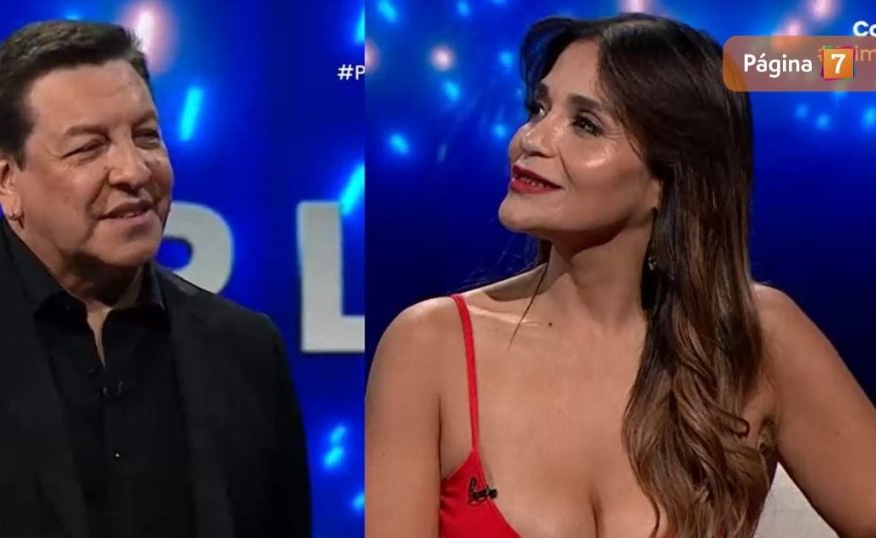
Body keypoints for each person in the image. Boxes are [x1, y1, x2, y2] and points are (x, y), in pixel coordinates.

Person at [365, 13, 876, 538]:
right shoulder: (429, 346)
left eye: (586, 124)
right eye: (538, 108)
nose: (532, 139)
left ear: (667, 179)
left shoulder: (754, 336)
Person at [0, 20, 310, 538]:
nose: (134, 171)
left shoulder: (247, 349)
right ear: (6, 178)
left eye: (146, 136)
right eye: (89, 147)